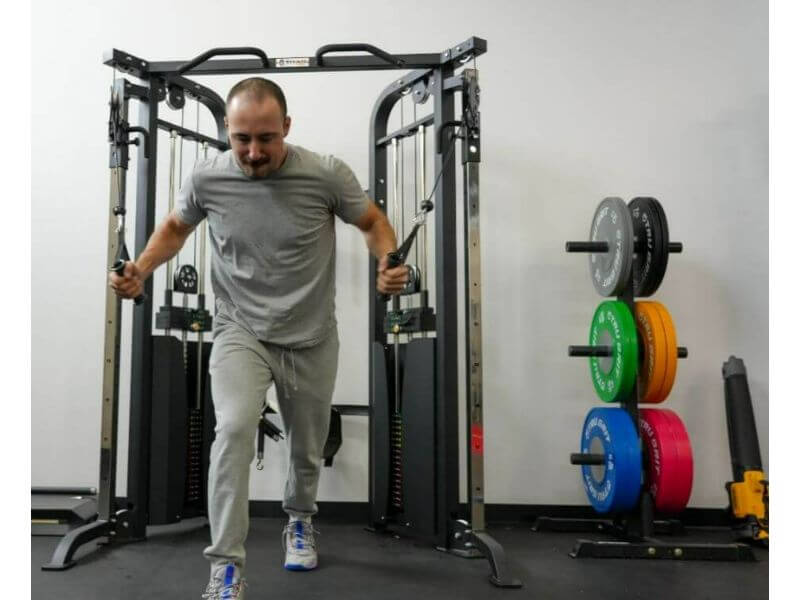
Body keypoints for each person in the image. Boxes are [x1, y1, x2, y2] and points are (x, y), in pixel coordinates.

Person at [109, 77, 409, 600]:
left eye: (266, 138)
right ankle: (225, 565)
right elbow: (176, 228)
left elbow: (372, 221)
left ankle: (299, 519)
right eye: (242, 138)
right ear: (228, 129)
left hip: (311, 333)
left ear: (286, 128)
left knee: (307, 448)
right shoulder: (208, 178)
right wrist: (141, 268)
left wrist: (387, 262)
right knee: (233, 430)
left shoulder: (325, 174)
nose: (252, 152)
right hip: (238, 328)